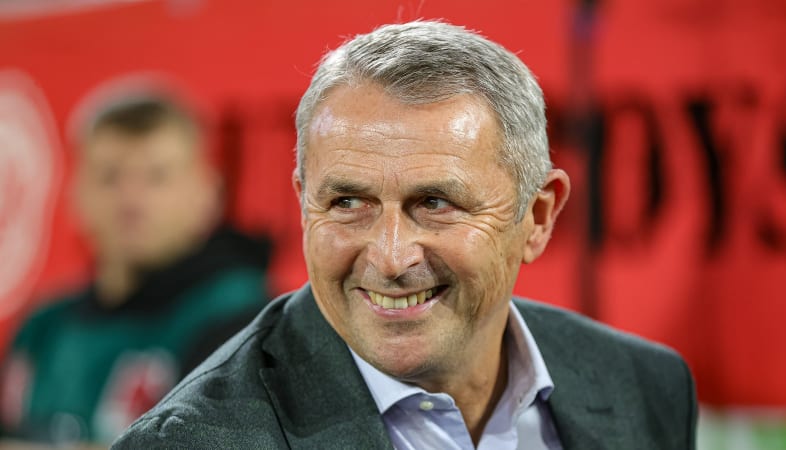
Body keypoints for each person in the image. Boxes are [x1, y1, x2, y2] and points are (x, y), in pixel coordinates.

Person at [112, 21, 697, 449]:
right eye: (347, 202)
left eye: (435, 203)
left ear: (537, 216)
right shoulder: (192, 441)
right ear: (302, 204)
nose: (390, 256)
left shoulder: (647, 386)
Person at [0, 93, 271, 445]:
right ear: (75, 192)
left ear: (207, 193)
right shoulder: (43, 327)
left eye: (156, 177)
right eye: (110, 176)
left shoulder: (244, 323)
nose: (131, 199)